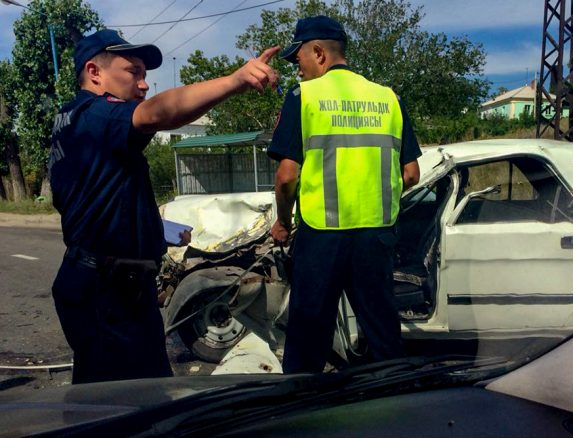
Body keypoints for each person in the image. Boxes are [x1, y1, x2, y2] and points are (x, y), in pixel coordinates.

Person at [49, 29, 278, 384]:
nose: (143, 85)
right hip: (109, 293)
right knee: (127, 402)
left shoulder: (76, 121)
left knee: (110, 394)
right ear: (94, 72)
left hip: (102, 282)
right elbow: (156, 114)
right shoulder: (97, 115)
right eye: (133, 72)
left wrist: (157, 232)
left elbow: (97, 201)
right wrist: (235, 80)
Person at [268, 16, 422, 373]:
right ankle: (394, 404)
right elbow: (411, 173)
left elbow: (287, 177)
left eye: (299, 61)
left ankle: (302, 412)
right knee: (383, 332)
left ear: (318, 53)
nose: (298, 71)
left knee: (308, 336)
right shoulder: (389, 98)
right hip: (376, 235)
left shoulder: (303, 97)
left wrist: (282, 221)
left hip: (322, 236)